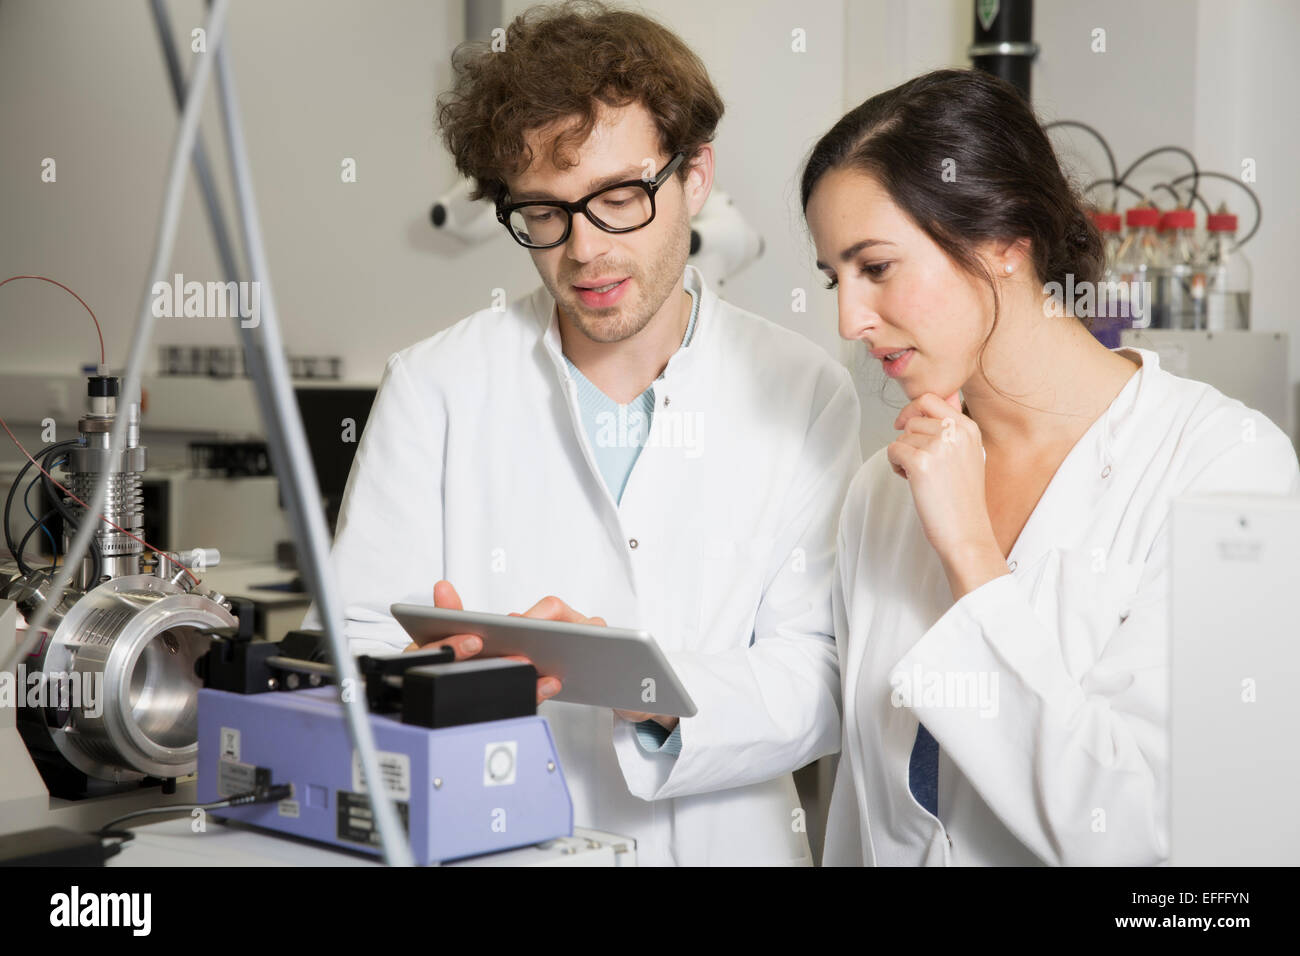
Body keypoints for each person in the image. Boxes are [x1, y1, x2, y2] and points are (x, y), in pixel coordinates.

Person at [305, 1, 861, 865]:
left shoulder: (802, 390)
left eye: (618, 199)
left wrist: (652, 691)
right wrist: (433, 682)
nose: (584, 251)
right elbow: (354, 638)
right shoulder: (436, 386)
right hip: (494, 840)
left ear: (696, 176)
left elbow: (823, 672)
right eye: (545, 214)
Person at [801, 69, 1300, 866]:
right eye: (836, 278)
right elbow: (862, 814)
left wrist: (972, 557)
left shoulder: (1220, 466)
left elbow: (1156, 837)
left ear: (1003, 240)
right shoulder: (882, 492)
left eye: (877, 268)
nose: (849, 318)